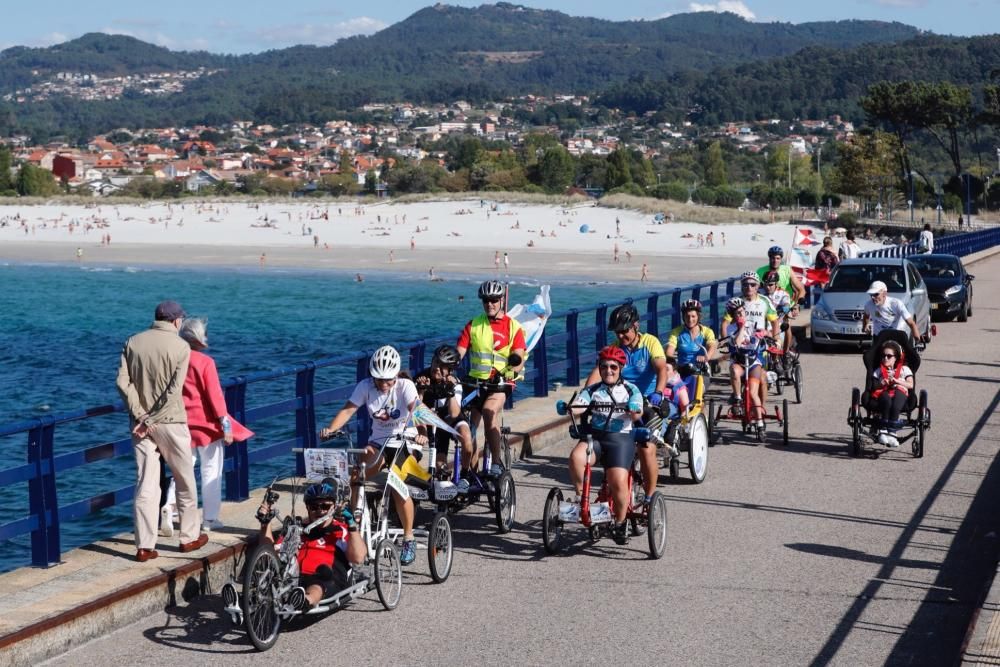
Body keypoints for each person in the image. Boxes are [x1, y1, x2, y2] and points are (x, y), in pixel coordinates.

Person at [116, 300, 206, 562]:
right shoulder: (180, 346)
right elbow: (174, 390)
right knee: (184, 479)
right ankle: (188, 538)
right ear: (177, 321)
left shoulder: (133, 342)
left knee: (146, 483)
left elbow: (122, 382)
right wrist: (154, 417)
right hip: (171, 422)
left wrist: (141, 415)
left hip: (139, 424)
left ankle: (144, 545)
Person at [319, 345, 423, 566]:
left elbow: (418, 411)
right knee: (358, 473)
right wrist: (330, 429)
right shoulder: (365, 387)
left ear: (395, 376)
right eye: (379, 379)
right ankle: (355, 521)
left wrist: (422, 433)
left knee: (396, 483)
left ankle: (408, 537)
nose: (383, 384)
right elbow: (348, 410)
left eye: (388, 380)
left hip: (405, 439)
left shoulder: (405, 386)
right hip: (378, 442)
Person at [583, 304, 665, 504]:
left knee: (646, 448)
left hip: (647, 403)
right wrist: (586, 395)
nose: (621, 336)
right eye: (617, 332)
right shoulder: (615, 348)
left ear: (636, 326)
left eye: (624, 331)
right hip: (618, 403)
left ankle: (648, 495)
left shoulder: (650, 343)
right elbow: (597, 372)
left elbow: (662, 369)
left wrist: (658, 393)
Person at [177, 317, 253, 532]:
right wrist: (226, 426)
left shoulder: (174, 359)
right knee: (211, 470)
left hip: (181, 423)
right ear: (200, 338)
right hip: (206, 425)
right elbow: (215, 397)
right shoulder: (205, 362)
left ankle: (170, 507)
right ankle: (209, 519)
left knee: (183, 469)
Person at [567, 346, 644, 545]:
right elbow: (580, 404)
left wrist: (634, 409)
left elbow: (637, 412)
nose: (608, 371)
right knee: (576, 458)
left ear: (620, 369)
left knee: (616, 479)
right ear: (599, 368)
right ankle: (579, 499)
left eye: (613, 367)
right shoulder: (593, 390)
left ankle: (620, 522)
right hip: (596, 438)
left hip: (621, 440)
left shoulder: (631, 389)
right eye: (604, 367)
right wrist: (574, 407)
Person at [257, 478, 367, 610]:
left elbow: (358, 558)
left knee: (319, 583)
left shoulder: (340, 529)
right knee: (271, 575)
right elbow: (270, 553)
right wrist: (265, 523)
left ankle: (304, 601)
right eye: (314, 507)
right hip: (293, 577)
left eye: (325, 506)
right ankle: (245, 600)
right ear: (307, 508)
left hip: (326, 577)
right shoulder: (297, 529)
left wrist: (352, 524)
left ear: (333, 507)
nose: (320, 511)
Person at [456, 280, 526, 476]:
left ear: (501, 300)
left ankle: (496, 463)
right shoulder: (473, 325)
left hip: (501, 382)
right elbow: (459, 353)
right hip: (475, 381)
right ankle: (471, 471)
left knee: (488, 411)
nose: (490, 304)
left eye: (494, 300)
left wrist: (512, 368)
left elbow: (519, 356)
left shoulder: (513, 327)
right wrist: (448, 368)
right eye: (486, 300)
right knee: (467, 428)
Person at [413, 344, 474, 493]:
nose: (437, 368)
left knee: (466, 436)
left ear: (450, 370)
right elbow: (415, 410)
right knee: (438, 464)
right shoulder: (421, 377)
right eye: (435, 362)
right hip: (429, 420)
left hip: (448, 419)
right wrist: (421, 391)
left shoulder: (454, 383)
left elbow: (454, 413)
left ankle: (465, 475)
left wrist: (450, 391)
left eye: (442, 366)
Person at [721, 273, 779, 415]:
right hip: (741, 345)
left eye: (752, 284)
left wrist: (776, 340)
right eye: (745, 284)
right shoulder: (737, 302)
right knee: (736, 372)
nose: (749, 287)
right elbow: (725, 323)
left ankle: (761, 409)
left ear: (758, 286)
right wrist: (726, 342)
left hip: (759, 346)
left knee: (762, 379)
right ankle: (738, 399)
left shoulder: (764, 301)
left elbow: (774, 321)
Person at [722, 297, 768, 428]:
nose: (741, 315)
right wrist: (742, 327)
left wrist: (764, 333)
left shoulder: (753, 324)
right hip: (740, 361)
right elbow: (736, 343)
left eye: (742, 312)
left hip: (753, 362)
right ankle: (737, 398)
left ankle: (760, 422)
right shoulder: (731, 329)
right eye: (737, 313)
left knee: (753, 393)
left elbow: (766, 333)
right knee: (734, 370)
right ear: (733, 315)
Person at [870, 340, 913, 448]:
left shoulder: (904, 369)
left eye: (889, 356)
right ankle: (883, 430)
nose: (885, 358)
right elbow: (872, 386)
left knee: (896, 403)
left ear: (896, 358)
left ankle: (892, 433)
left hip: (900, 390)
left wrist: (896, 380)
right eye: (883, 356)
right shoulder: (878, 370)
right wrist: (881, 383)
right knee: (886, 400)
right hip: (884, 391)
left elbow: (910, 385)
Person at [665, 299, 717, 381]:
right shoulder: (676, 332)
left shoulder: (707, 331)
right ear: (683, 317)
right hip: (682, 370)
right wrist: (672, 361)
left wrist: (706, 357)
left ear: (698, 317)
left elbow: (712, 346)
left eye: (693, 316)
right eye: (687, 316)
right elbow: (669, 351)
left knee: (696, 386)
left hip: (701, 371)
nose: (690, 319)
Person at [762, 271, 795, 356]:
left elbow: (786, 304)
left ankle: (786, 353)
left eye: (770, 285)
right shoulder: (759, 293)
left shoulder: (783, 293)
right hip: (763, 325)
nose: (767, 287)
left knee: (787, 325)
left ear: (776, 284)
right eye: (765, 284)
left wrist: (785, 308)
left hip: (778, 324)